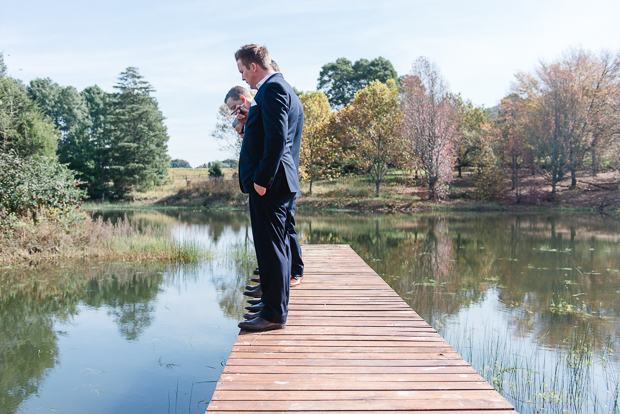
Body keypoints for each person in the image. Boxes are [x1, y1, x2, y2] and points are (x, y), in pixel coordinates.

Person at [234, 44, 303, 332]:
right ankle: (270, 306)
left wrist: (261, 182)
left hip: (270, 185)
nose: (242, 79)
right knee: (274, 246)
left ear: (253, 66)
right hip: (277, 183)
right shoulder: (278, 89)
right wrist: (248, 121)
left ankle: (274, 314)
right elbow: (271, 132)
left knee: (272, 247)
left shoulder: (272, 88)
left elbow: (277, 141)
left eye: (242, 71)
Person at [224, 83, 304, 298]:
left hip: (277, 178)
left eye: (233, 107)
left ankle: (293, 274)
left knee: (285, 228)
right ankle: (272, 282)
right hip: (275, 177)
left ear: (242, 99)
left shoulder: (271, 98)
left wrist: (261, 180)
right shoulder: (258, 108)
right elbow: (248, 134)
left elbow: (274, 140)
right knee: (279, 231)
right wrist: (244, 123)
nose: (233, 113)